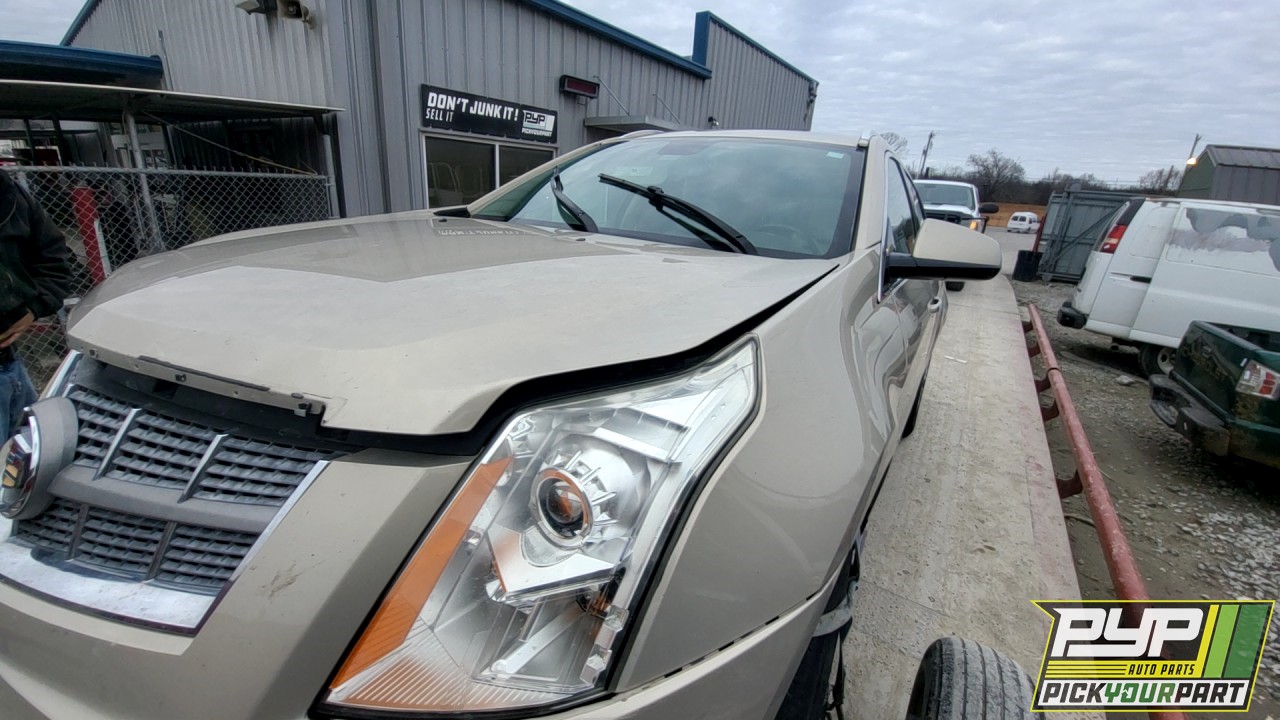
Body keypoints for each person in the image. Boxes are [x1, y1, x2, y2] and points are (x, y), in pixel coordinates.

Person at [0, 170, 72, 436]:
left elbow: (53, 257)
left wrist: (34, 308)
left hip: (10, 363)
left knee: (30, 456)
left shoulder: (11, 196)